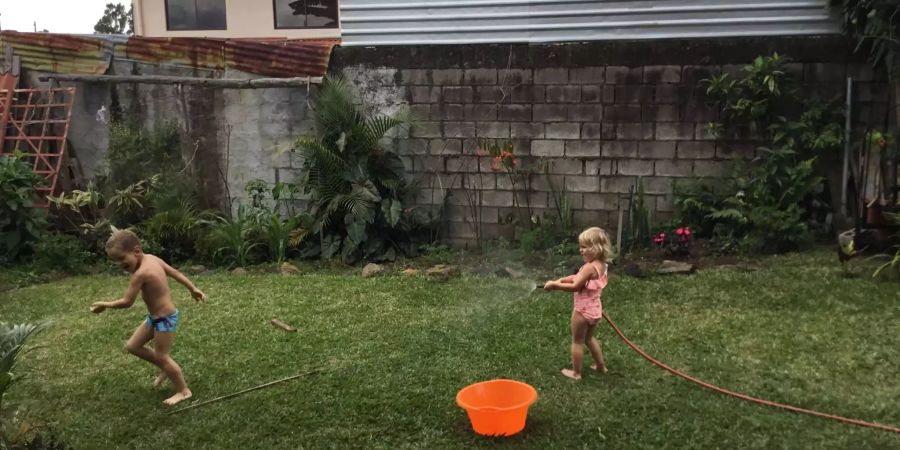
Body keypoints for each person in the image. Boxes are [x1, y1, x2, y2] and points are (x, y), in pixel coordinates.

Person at [90, 229, 205, 405]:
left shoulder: (140, 274)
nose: (120, 264)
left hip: (165, 319)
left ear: (136, 251)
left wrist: (105, 304)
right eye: (116, 261)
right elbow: (176, 273)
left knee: (162, 356)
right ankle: (165, 368)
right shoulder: (152, 258)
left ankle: (183, 391)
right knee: (133, 346)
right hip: (155, 317)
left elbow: (127, 302)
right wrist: (193, 288)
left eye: (122, 259)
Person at [544, 227, 612, 380]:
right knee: (589, 339)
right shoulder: (601, 265)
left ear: (596, 248)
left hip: (582, 311)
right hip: (595, 310)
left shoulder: (588, 267)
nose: (581, 250)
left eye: (584, 247)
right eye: (580, 246)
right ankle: (601, 366)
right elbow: (578, 277)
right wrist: (562, 279)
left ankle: (576, 373)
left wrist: (555, 286)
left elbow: (576, 286)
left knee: (577, 341)